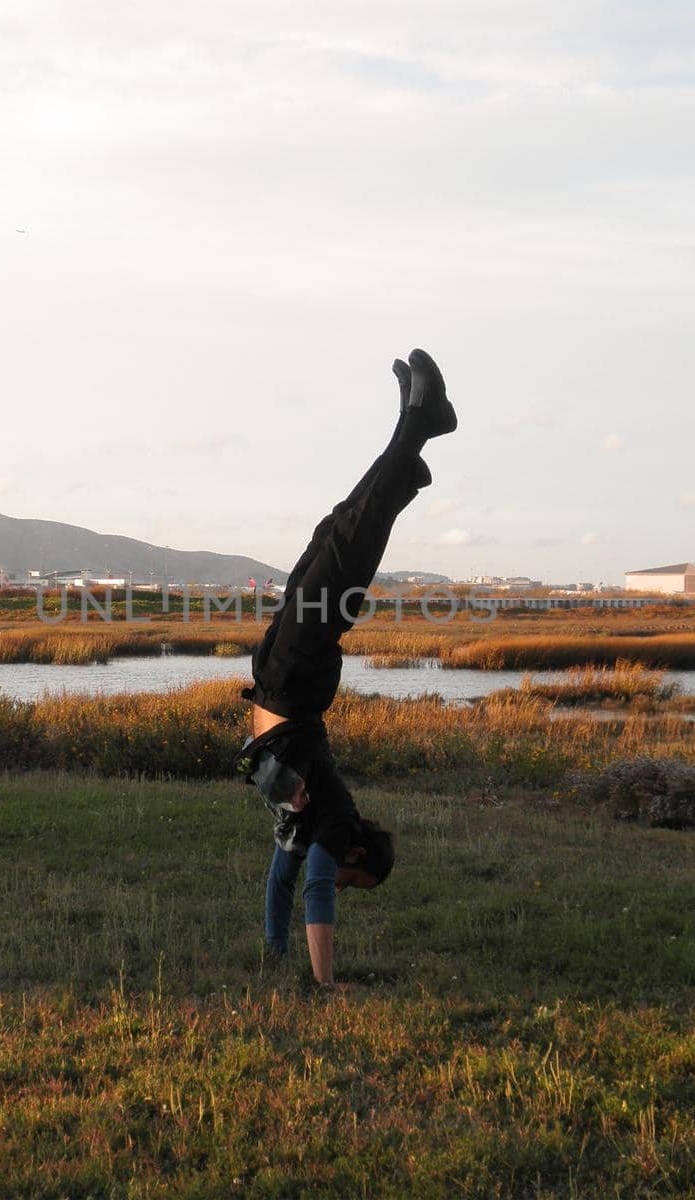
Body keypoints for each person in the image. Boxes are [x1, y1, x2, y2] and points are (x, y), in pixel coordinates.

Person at [235, 347, 457, 986]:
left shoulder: (304, 830)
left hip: (283, 671)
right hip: (296, 673)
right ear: (357, 852)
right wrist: (325, 984)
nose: (339, 880)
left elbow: (282, 886)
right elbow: (317, 897)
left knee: (335, 531)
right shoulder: (333, 825)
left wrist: (276, 958)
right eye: (356, 877)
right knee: (348, 543)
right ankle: (417, 423)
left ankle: (416, 425)